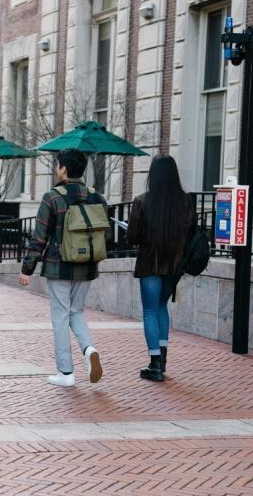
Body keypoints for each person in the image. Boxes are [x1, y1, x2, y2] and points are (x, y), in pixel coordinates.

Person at [18, 149, 107, 387]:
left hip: (59, 267)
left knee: (60, 317)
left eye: (58, 165)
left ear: (64, 168)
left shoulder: (53, 197)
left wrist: (27, 269)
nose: (56, 169)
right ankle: (89, 350)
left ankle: (66, 373)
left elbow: (39, 238)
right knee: (76, 312)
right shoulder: (96, 197)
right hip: (87, 266)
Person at [126, 154, 196, 382]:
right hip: (174, 265)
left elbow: (132, 237)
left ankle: (154, 363)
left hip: (149, 264)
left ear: (152, 175)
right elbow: (188, 232)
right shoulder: (185, 202)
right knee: (162, 308)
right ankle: (162, 361)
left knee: (149, 311)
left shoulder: (142, 201)